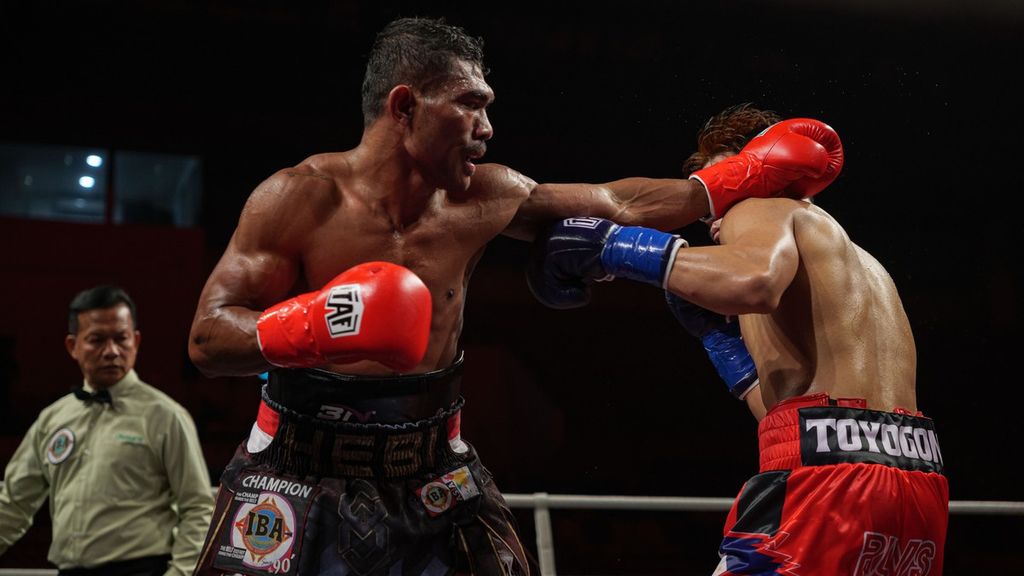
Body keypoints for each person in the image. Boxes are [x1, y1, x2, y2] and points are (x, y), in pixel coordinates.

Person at [186, 16, 841, 575]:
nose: (487, 127)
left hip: (434, 464)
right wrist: (321, 324)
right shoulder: (297, 197)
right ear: (405, 105)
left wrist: (742, 175)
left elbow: (618, 202)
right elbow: (208, 338)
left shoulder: (486, 195)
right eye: (469, 104)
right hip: (299, 465)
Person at [527, 104, 948, 574]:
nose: (710, 220)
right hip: (916, 486)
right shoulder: (864, 265)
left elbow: (754, 282)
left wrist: (612, 246)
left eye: (719, 191)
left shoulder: (762, 205)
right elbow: (798, 415)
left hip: (827, 487)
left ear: (758, 168)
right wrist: (718, 340)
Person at [0, 285, 215, 576]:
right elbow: (13, 505)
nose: (112, 351)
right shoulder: (52, 419)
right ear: (72, 346)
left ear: (136, 341)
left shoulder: (166, 417)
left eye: (121, 338)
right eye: (97, 340)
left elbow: (198, 508)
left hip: (143, 568)